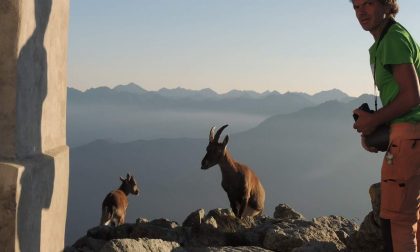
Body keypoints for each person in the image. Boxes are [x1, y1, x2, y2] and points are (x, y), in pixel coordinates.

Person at [351, 0, 420, 251]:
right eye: (356, 7)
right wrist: (373, 127)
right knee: (410, 217)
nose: (361, 12)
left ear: (386, 5)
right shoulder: (383, 43)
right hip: (410, 135)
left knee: (396, 222)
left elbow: (412, 96)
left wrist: (374, 120)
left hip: (409, 138)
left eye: (368, 3)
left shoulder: (393, 39)